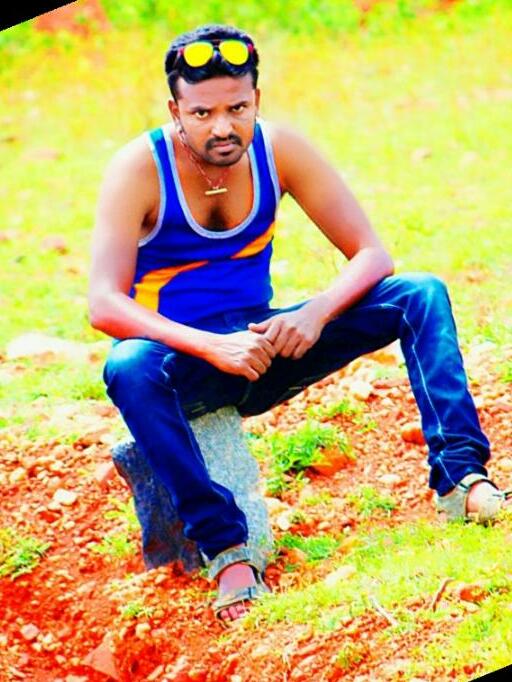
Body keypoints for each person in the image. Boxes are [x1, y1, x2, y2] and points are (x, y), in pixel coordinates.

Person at [88, 23, 509, 624]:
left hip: (267, 345)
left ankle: (462, 482)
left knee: (419, 294)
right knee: (128, 364)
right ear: (175, 110)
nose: (223, 126)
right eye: (203, 113)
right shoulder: (139, 168)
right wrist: (211, 347)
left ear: (256, 99)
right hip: (184, 365)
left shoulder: (278, 150)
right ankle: (228, 552)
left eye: (237, 108)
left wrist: (315, 314)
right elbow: (104, 304)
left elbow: (372, 254)